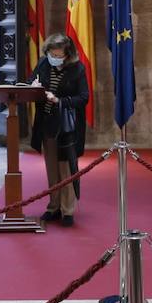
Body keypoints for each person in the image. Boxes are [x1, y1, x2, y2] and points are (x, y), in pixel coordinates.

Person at [28, 32, 90, 226]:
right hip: (46, 123)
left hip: (66, 126)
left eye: (58, 55)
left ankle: (68, 210)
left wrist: (59, 100)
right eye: (52, 54)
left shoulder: (77, 68)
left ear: (67, 53)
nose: (54, 58)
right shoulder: (43, 63)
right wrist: (34, 86)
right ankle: (53, 206)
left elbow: (83, 97)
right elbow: (31, 82)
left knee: (67, 169)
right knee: (52, 169)